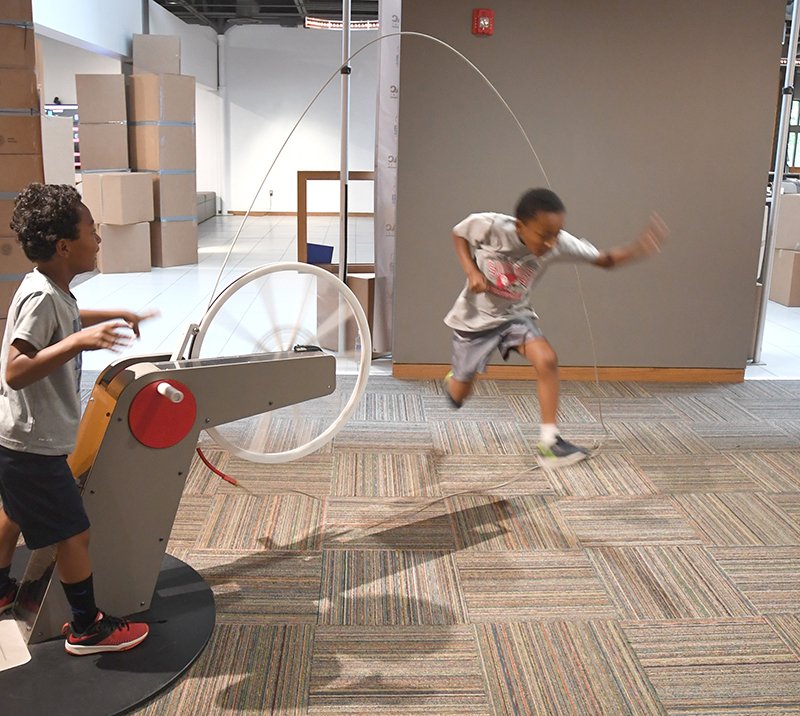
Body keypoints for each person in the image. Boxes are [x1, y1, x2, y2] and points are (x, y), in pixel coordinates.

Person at [0, 183, 157, 655]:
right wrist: (77, 343)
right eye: (92, 229)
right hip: (33, 445)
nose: (99, 238)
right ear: (66, 246)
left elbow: (65, 315)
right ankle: (87, 628)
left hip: (15, 440)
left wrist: (109, 314)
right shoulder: (42, 298)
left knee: (11, 514)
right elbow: (15, 368)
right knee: (75, 534)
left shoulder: (50, 287)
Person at [443, 188, 668, 468]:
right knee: (458, 395)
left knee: (547, 358)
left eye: (557, 233)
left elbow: (604, 260)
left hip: (515, 316)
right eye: (544, 235)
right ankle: (456, 380)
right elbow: (459, 233)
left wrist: (639, 248)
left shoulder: (558, 242)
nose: (551, 243)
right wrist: (471, 270)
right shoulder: (491, 226)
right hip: (474, 321)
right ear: (520, 225)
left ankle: (549, 442)